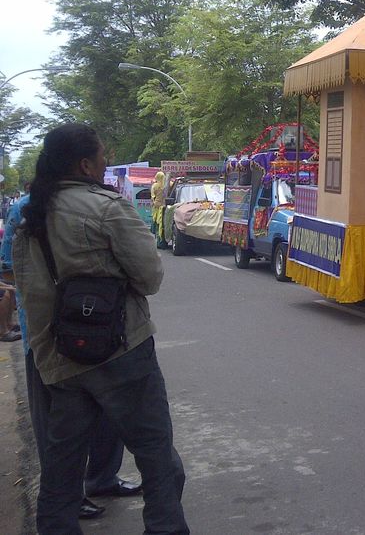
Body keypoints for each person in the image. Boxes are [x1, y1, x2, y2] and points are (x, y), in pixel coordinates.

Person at [12, 123, 188, 534]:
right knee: (157, 459)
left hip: (59, 362)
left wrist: (47, 356)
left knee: (61, 468)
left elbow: (31, 297)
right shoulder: (107, 207)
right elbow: (149, 279)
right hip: (122, 354)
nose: (107, 162)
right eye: (104, 155)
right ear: (86, 164)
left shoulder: (28, 216)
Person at [151, 170, 168, 248]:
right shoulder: (168, 185)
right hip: (166, 208)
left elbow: (152, 197)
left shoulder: (155, 186)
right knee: (164, 225)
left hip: (157, 208)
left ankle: (160, 243)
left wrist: (154, 202)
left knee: (158, 225)